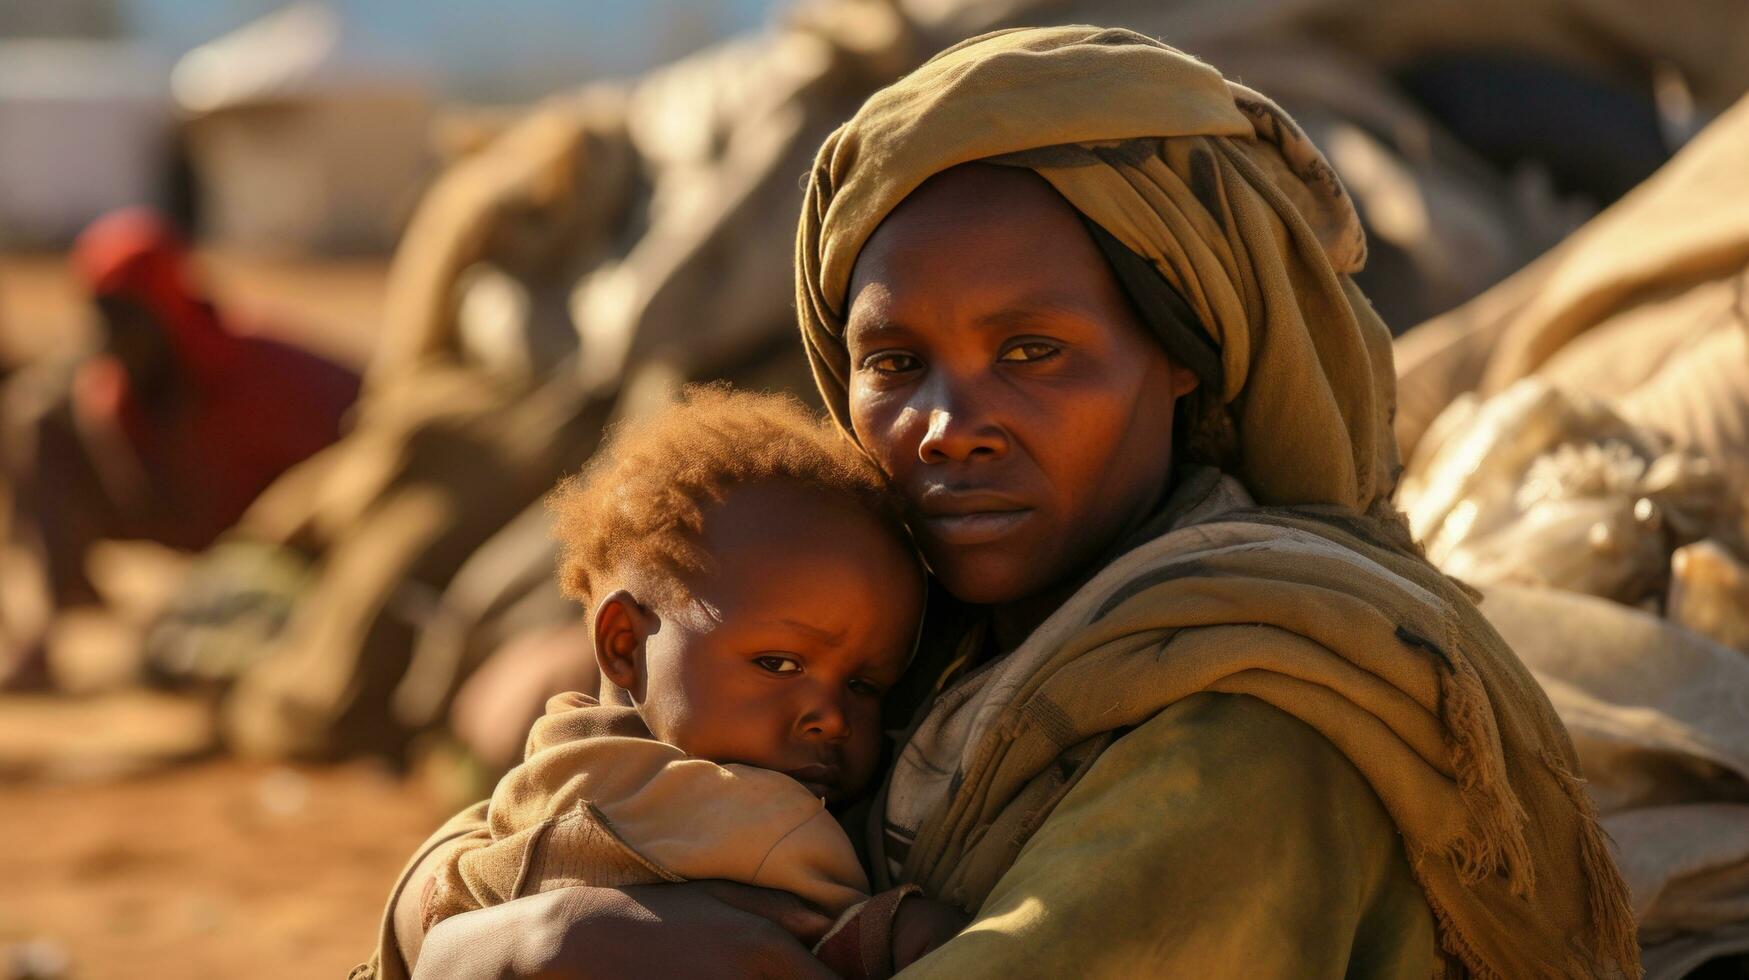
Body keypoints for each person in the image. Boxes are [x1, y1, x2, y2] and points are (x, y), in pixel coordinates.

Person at [402, 28, 1638, 979]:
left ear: (1183, 355)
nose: (947, 423)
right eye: (893, 364)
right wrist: (487, 933)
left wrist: (546, 942)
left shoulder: (1259, 716)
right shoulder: (897, 643)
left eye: (1035, 350)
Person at [358, 388, 963, 978]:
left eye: (864, 685)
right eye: (779, 664)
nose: (831, 717)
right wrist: (907, 929)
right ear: (624, 643)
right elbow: (818, 930)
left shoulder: (536, 794)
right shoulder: (728, 813)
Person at [0, 208, 358, 685]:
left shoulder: (264, 378)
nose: (112, 338)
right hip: (181, 518)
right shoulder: (107, 387)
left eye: (127, 317)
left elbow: (362, 447)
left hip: (272, 538)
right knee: (37, 419)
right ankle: (51, 626)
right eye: (102, 316)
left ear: (165, 306)